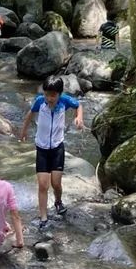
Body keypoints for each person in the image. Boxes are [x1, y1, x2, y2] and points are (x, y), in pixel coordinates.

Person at [19, 76, 84, 227]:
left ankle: (58, 201)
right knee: (43, 184)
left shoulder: (65, 101)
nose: (49, 98)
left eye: (53, 95)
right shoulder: (39, 102)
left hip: (57, 148)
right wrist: (24, 131)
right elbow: (30, 113)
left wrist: (79, 117)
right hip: (41, 148)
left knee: (56, 183)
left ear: (60, 94)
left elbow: (78, 106)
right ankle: (43, 217)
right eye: (47, 94)